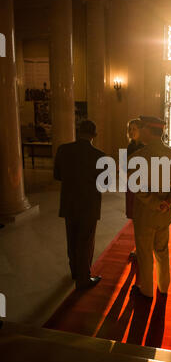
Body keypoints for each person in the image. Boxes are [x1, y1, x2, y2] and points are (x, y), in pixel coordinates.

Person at [129, 115, 171, 299]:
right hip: (165, 213)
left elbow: (136, 187)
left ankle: (146, 291)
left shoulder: (138, 157)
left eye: (140, 128)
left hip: (146, 214)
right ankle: (164, 286)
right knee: (162, 251)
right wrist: (169, 201)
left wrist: (154, 203)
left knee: (144, 253)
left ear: (147, 130)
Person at [54, 120, 105, 290]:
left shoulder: (63, 150)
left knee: (72, 238)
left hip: (69, 202)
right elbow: (104, 183)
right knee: (85, 241)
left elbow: (58, 176)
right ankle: (83, 279)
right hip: (89, 205)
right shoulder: (100, 156)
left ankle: (75, 271)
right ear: (94, 135)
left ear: (78, 131)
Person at [126, 119, 144, 219]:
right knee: (132, 211)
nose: (131, 132)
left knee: (140, 211)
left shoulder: (145, 146)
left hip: (142, 183)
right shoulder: (130, 146)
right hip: (130, 181)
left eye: (134, 129)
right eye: (130, 129)